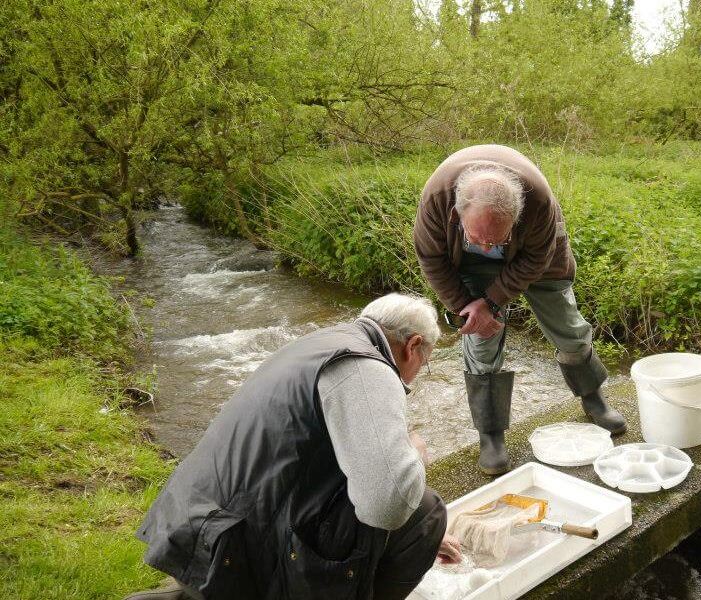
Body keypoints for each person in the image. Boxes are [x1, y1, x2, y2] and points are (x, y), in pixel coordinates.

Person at [125, 294, 462, 600]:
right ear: (412, 345)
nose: (416, 375)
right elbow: (387, 505)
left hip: (196, 530)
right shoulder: (366, 367)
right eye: (424, 363)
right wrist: (413, 453)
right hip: (236, 550)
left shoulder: (319, 343)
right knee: (425, 513)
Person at [414, 144, 627, 476]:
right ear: (457, 216)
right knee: (480, 342)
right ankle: (491, 436)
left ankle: (593, 398)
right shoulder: (437, 202)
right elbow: (431, 259)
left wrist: (494, 299)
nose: (489, 248)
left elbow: (534, 261)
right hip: (465, 260)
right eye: (480, 239)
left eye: (497, 239)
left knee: (568, 327)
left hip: (536, 256)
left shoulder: (538, 202)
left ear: (517, 217)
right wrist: (467, 306)